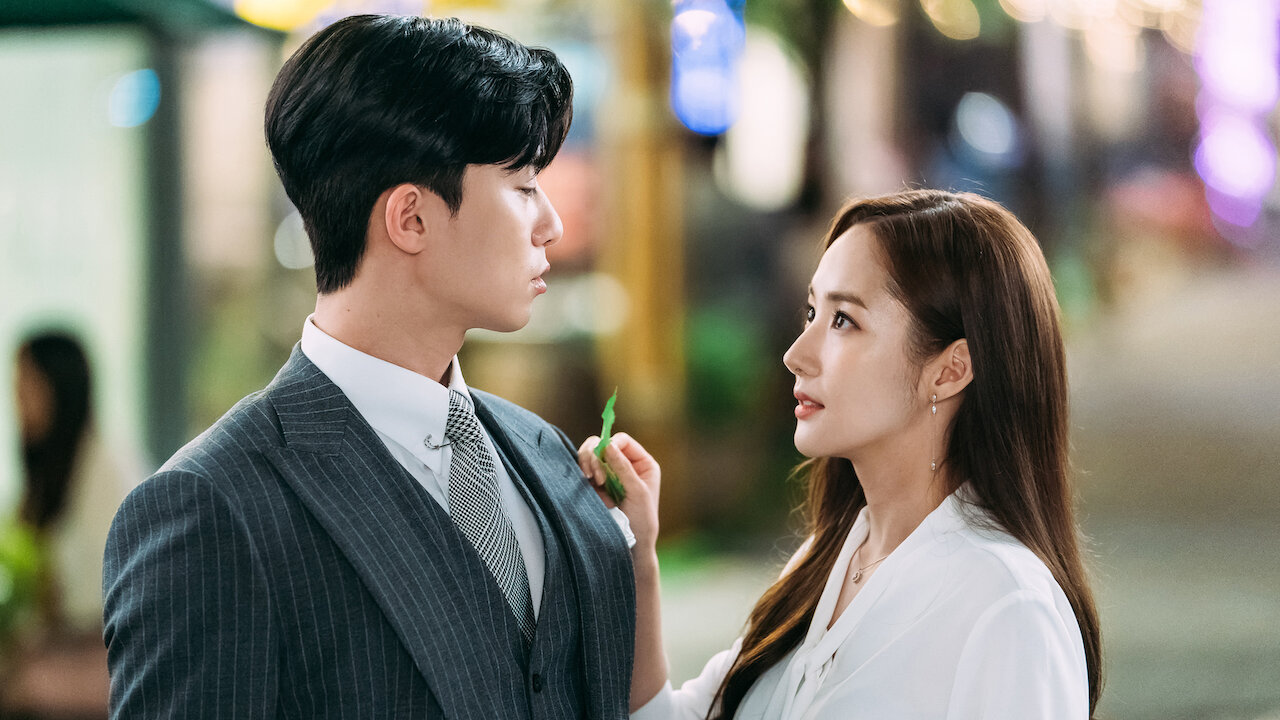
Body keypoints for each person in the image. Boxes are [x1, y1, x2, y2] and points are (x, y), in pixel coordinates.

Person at [102, 15, 635, 719]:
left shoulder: (544, 452)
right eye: (524, 185)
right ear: (410, 218)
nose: (553, 225)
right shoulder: (212, 509)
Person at [580, 190, 1103, 719]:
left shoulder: (1008, 607)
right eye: (812, 312)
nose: (796, 355)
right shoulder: (828, 559)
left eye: (843, 320)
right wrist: (636, 553)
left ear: (950, 371)